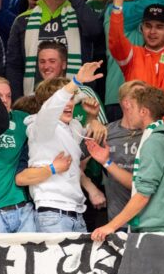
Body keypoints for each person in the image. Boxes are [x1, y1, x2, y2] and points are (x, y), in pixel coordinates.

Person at [14, 62, 104, 232]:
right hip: (52, 213)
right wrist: (76, 81)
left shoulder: (73, 126)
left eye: (71, 98)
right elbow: (52, 106)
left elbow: (85, 145)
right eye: (65, 99)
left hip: (76, 212)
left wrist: (92, 118)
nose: (69, 104)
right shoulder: (41, 125)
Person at [91, 86, 164, 239]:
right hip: (156, 228)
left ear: (143, 112)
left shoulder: (154, 142)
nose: (128, 113)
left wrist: (110, 226)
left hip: (154, 232)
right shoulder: (163, 137)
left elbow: (143, 194)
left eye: (131, 108)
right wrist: (106, 162)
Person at [7, 0, 104, 99]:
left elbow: (95, 31)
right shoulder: (23, 21)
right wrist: (18, 101)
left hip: (76, 99)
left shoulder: (80, 14)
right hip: (34, 99)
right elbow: (14, 66)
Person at [84, 80, 146, 224]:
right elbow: (75, 161)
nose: (146, 99)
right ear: (126, 103)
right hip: (117, 220)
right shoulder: (106, 132)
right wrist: (92, 189)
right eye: (140, 95)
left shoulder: (153, 132)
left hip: (149, 220)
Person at [0, 77, 36, 233]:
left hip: (23, 209)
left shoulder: (22, 119)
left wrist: (93, 121)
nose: (4, 100)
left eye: (8, 96)